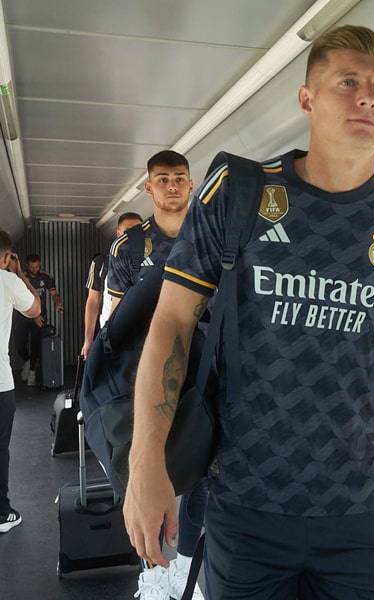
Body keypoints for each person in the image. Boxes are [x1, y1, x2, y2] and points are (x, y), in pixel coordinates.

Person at [124, 25, 374, 599]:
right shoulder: (238, 195)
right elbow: (171, 324)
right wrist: (146, 462)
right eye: (347, 82)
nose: (368, 98)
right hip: (245, 505)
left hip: (355, 512)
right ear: (307, 99)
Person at [106, 150, 206, 600]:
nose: (172, 186)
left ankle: (182, 565)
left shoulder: (210, 238)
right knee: (146, 473)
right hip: (147, 380)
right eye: (162, 179)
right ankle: (152, 570)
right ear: (148, 187)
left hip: (202, 377)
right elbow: (118, 322)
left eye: (179, 178)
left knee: (200, 475)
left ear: (191, 184)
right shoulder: (129, 248)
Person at [0, 229, 41, 533]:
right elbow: (35, 308)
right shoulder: (8, 280)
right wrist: (19, 274)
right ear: (6, 257)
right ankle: (2, 513)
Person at [80, 212, 143, 360]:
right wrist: (88, 340)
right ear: (118, 234)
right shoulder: (101, 263)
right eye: (128, 231)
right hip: (110, 335)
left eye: (138, 231)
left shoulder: (154, 261)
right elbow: (93, 301)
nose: (133, 236)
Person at [13, 253, 63, 386]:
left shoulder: (46, 277)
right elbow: (18, 298)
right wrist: (33, 315)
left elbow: (54, 294)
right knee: (19, 344)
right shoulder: (21, 277)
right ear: (26, 265)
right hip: (23, 316)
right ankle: (29, 362)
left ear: (40, 265)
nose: (34, 269)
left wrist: (57, 303)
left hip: (40, 316)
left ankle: (32, 373)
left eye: (37, 267)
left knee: (36, 344)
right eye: (32, 267)